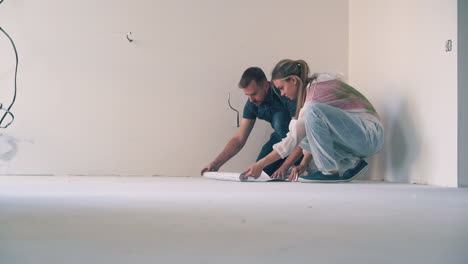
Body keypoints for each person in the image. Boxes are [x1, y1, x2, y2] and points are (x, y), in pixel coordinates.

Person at [243, 59, 384, 183]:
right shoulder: (311, 92)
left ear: (293, 80)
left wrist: (259, 165)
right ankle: (353, 163)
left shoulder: (314, 94)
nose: (282, 93)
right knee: (302, 130)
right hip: (362, 136)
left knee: (309, 116)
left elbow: (291, 141)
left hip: (370, 134)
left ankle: (329, 172)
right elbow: (302, 135)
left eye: (282, 88)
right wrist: (303, 164)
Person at [201, 67, 304, 178]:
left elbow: (300, 133)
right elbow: (239, 139)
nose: (251, 99)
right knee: (258, 173)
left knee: (279, 121)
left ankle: (300, 163)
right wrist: (216, 164)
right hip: (279, 139)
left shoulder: (284, 92)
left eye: (254, 94)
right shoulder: (251, 104)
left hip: (300, 141)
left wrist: (285, 166)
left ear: (265, 85)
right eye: (247, 95)